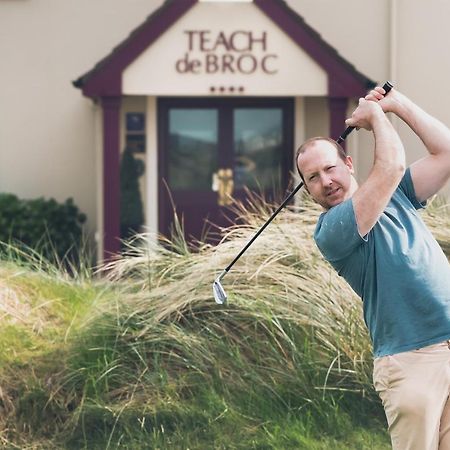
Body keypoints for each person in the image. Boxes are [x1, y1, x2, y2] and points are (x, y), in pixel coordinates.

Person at [296, 85, 450, 450]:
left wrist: (398, 104)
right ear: (307, 190)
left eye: (330, 168)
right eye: (312, 178)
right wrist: (376, 116)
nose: (325, 181)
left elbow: (446, 153)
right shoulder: (333, 230)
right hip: (411, 360)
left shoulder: (398, 194)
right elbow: (391, 164)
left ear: (348, 164)